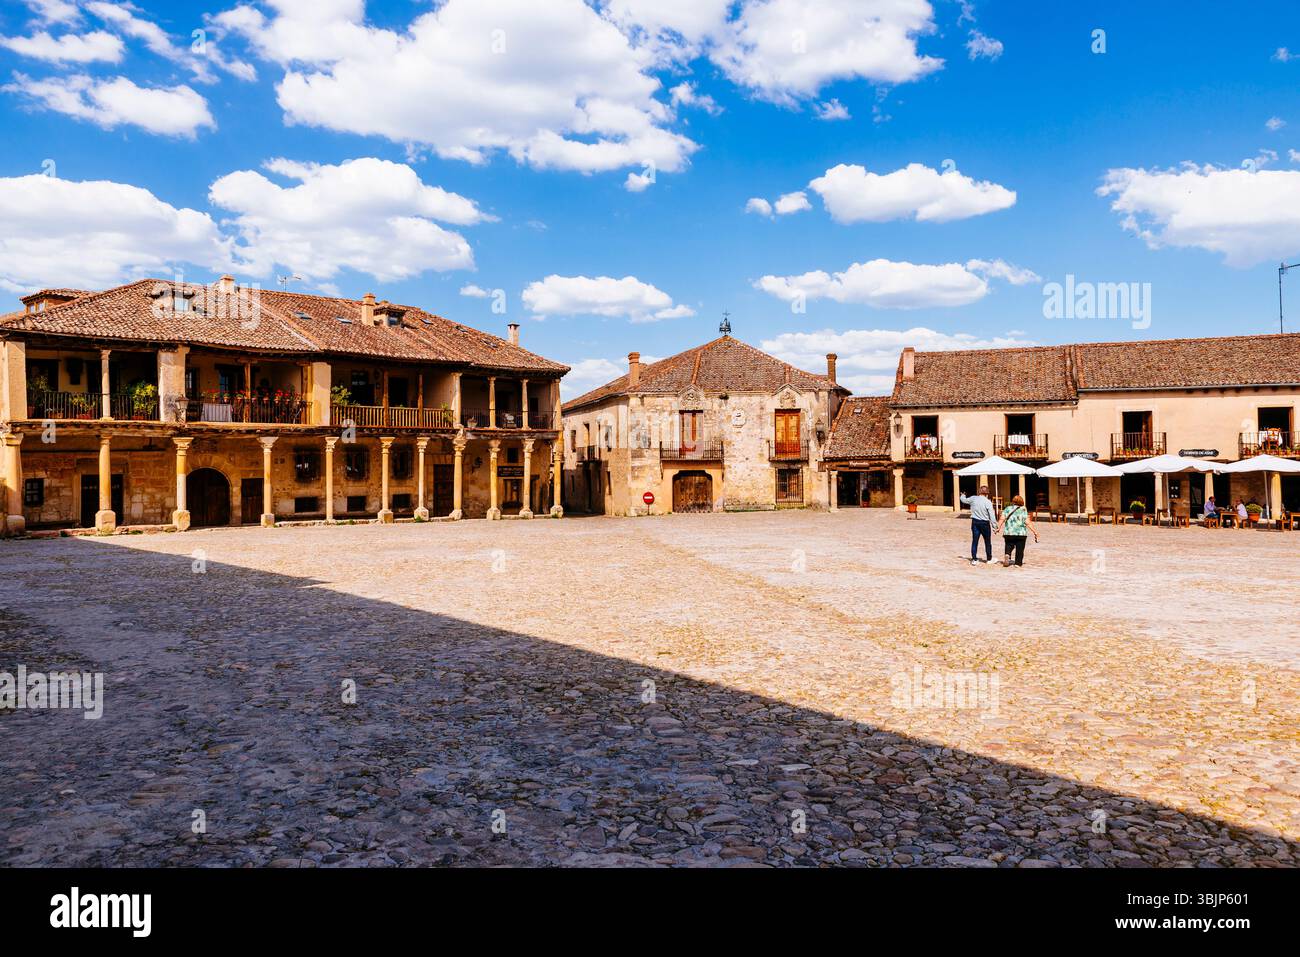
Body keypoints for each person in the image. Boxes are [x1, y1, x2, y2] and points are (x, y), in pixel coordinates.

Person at [995, 494, 1038, 567]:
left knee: (1008, 544)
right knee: (1020, 548)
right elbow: (1027, 522)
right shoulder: (1023, 509)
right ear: (1022, 501)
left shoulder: (1007, 508)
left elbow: (1002, 519)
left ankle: (1007, 554)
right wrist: (1034, 531)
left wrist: (998, 528)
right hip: (1021, 533)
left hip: (1009, 532)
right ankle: (1018, 563)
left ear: (1013, 501)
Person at [960, 484, 995, 565]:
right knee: (987, 542)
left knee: (975, 541)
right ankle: (989, 559)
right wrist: (995, 526)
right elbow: (992, 515)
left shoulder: (973, 498)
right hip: (985, 523)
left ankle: (974, 559)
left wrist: (962, 495)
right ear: (987, 493)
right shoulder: (988, 502)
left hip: (975, 522)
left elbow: (964, 500)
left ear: (979, 492)